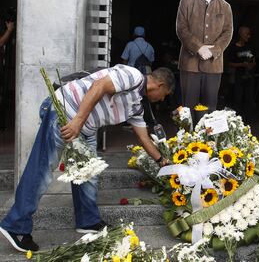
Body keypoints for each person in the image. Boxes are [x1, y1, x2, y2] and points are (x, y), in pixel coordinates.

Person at [0, 65, 174, 252]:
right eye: (165, 94)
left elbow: (143, 138)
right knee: (41, 170)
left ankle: (88, 220)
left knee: (89, 173)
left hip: (85, 129)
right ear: (160, 85)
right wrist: (76, 122)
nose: (162, 99)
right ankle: (15, 225)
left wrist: (163, 162)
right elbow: (98, 86)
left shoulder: (137, 106)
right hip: (65, 114)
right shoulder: (133, 76)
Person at [176, 0, 233, 122]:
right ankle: (187, 142)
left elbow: (227, 33)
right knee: (187, 107)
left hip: (214, 64)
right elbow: (181, 29)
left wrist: (214, 51)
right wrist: (198, 47)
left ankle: (208, 142)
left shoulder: (225, 6)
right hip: (189, 63)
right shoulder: (186, 2)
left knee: (211, 108)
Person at [228, 26, 256, 118]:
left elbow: (253, 61)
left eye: (249, 34)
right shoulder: (233, 47)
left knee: (248, 99)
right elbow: (229, 63)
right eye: (246, 34)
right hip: (237, 77)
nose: (249, 36)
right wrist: (241, 65)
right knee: (237, 98)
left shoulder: (250, 46)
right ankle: (236, 119)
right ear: (241, 34)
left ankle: (247, 120)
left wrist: (251, 65)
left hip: (249, 77)